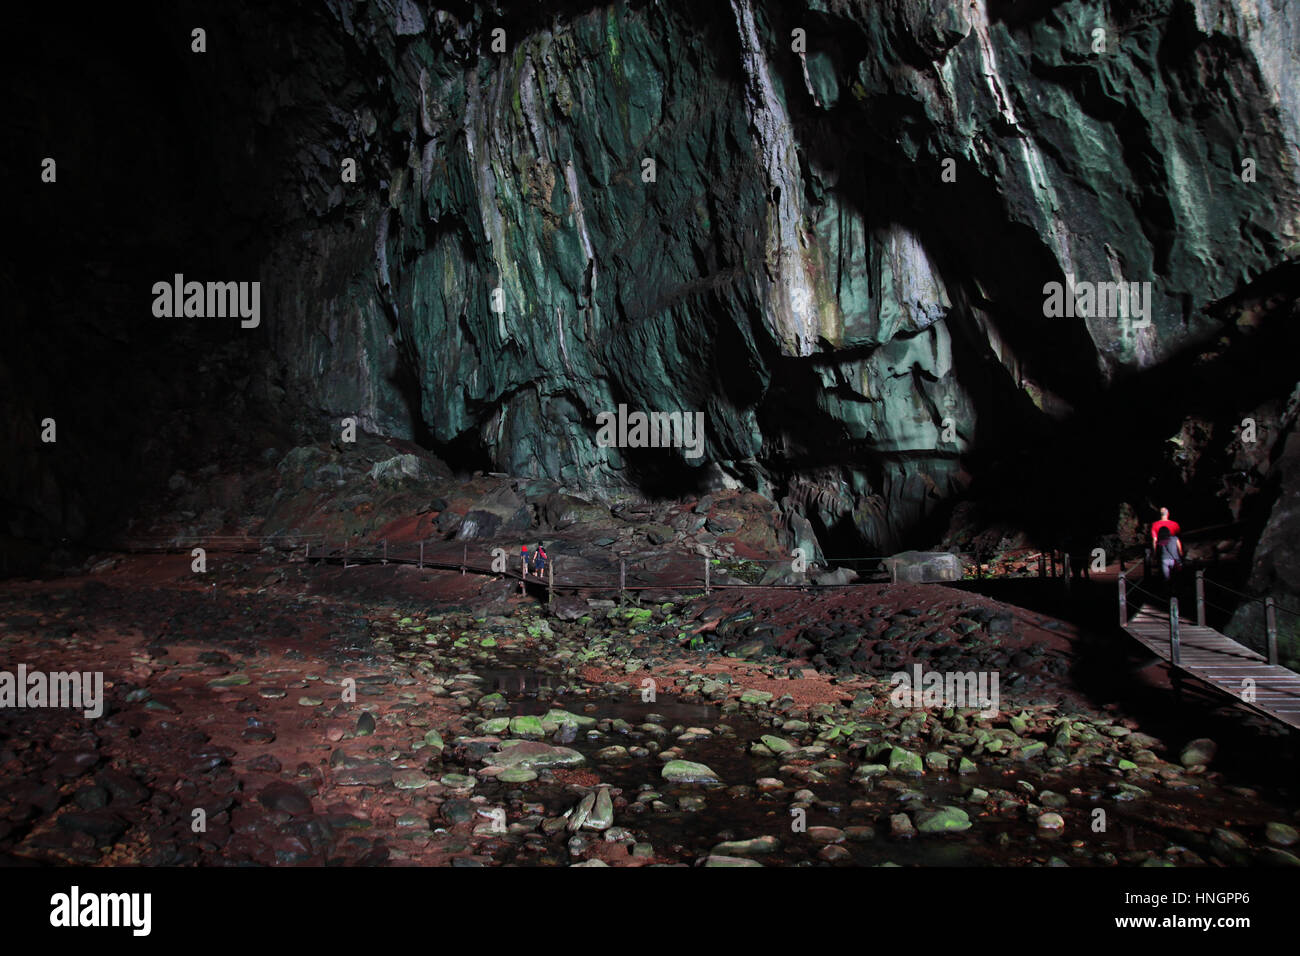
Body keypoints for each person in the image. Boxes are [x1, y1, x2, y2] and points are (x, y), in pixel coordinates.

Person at [1155, 525, 1183, 590]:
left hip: (1164, 559)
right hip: (1174, 560)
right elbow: (1180, 550)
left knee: (1167, 578)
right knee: (1175, 576)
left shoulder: (1159, 541)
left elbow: (1158, 552)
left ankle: (1167, 590)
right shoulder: (1175, 538)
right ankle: (1175, 589)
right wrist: (1180, 559)